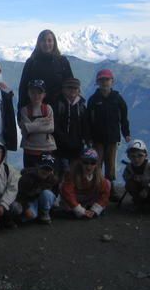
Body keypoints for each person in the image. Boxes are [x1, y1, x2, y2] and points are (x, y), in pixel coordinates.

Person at [86, 68, 130, 200]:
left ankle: (110, 189)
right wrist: (88, 137)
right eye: (102, 80)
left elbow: (123, 118)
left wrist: (126, 133)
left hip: (112, 138)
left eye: (107, 79)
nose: (104, 82)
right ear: (98, 82)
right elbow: (88, 120)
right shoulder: (93, 100)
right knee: (96, 164)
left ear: (112, 81)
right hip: (97, 138)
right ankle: (98, 189)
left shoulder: (117, 99)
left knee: (110, 164)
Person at [18, 29, 74, 110]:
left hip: (59, 110)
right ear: (39, 43)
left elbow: (71, 85)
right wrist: (21, 110)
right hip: (36, 109)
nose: (46, 43)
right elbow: (23, 88)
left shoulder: (62, 62)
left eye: (49, 40)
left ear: (54, 43)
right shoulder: (31, 63)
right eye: (43, 40)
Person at [60, 148, 110, 219]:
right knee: (62, 186)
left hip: (88, 199)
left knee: (108, 183)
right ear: (80, 162)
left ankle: (90, 208)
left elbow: (105, 195)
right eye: (85, 162)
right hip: (74, 199)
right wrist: (79, 210)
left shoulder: (99, 177)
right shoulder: (72, 174)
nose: (89, 167)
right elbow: (67, 193)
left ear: (96, 164)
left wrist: (95, 210)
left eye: (92, 163)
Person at [52, 77, 89, 171]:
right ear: (63, 89)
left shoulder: (81, 106)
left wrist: (87, 139)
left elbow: (85, 125)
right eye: (69, 88)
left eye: (75, 88)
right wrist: (63, 138)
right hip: (60, 146)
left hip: (77, 146)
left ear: (78, 90)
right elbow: (54, 124)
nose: (72, 90)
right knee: (60, 172)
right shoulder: (58, 104)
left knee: (75, 172)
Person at [18, 79, 56, 168]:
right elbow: (25, 129)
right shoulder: (25, 110)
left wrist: (32, 125)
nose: (36, 95)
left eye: (39, 93)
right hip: (29, 149)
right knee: (29, 176)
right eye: (33, 92)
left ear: (44, 95)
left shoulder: (48, 108)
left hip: (47, 149)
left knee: (45, 175)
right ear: (28, 93)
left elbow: (51, 128)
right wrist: (42, 122)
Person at [16, 153, 59, 225]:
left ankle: (44, 213)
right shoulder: (27, 178)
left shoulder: (53, 179)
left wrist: (53, 201)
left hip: (42, 198)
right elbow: (20, 196)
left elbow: (56, 192)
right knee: (31, 216)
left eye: (49, 169)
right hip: (30, 200)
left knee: (47, 193)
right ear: (37, 166)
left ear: (52, 171)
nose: (45, 171)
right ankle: (33, 213)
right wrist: (26, 208)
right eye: (43, 168)